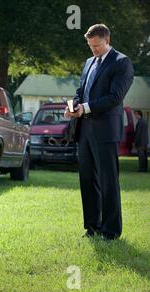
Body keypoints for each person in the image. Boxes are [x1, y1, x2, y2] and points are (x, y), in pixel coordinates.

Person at [65, 24, 134, 241]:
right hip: (84, 130)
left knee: (108, 181)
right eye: (90, 46)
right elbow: (81, 90)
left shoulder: (122, 63)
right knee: (87, 180)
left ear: (107, 39)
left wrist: (85, 107)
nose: (93, 50)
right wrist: (74, 105)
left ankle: (111, 231)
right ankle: (92, 227)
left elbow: (115, 97)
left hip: (105, 132)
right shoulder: (88, 63)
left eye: (96, 46)